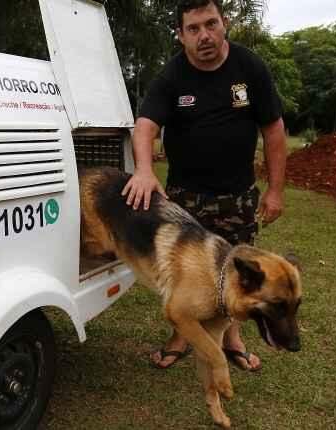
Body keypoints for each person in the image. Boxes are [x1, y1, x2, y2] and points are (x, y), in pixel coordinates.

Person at [122, 0, 287, 371]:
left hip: (238, 197)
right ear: (181, 36)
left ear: (224, 23)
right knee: (187, 274)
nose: (204, 35)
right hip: (185, 200)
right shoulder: (172, 76)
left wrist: (275, 190)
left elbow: (274, 130)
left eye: (210, 24)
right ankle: (182, 335)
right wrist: (144, 170)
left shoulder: (250, 68)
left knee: (240, 272)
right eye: (193, 29)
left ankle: (232, 339)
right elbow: (145, 125)